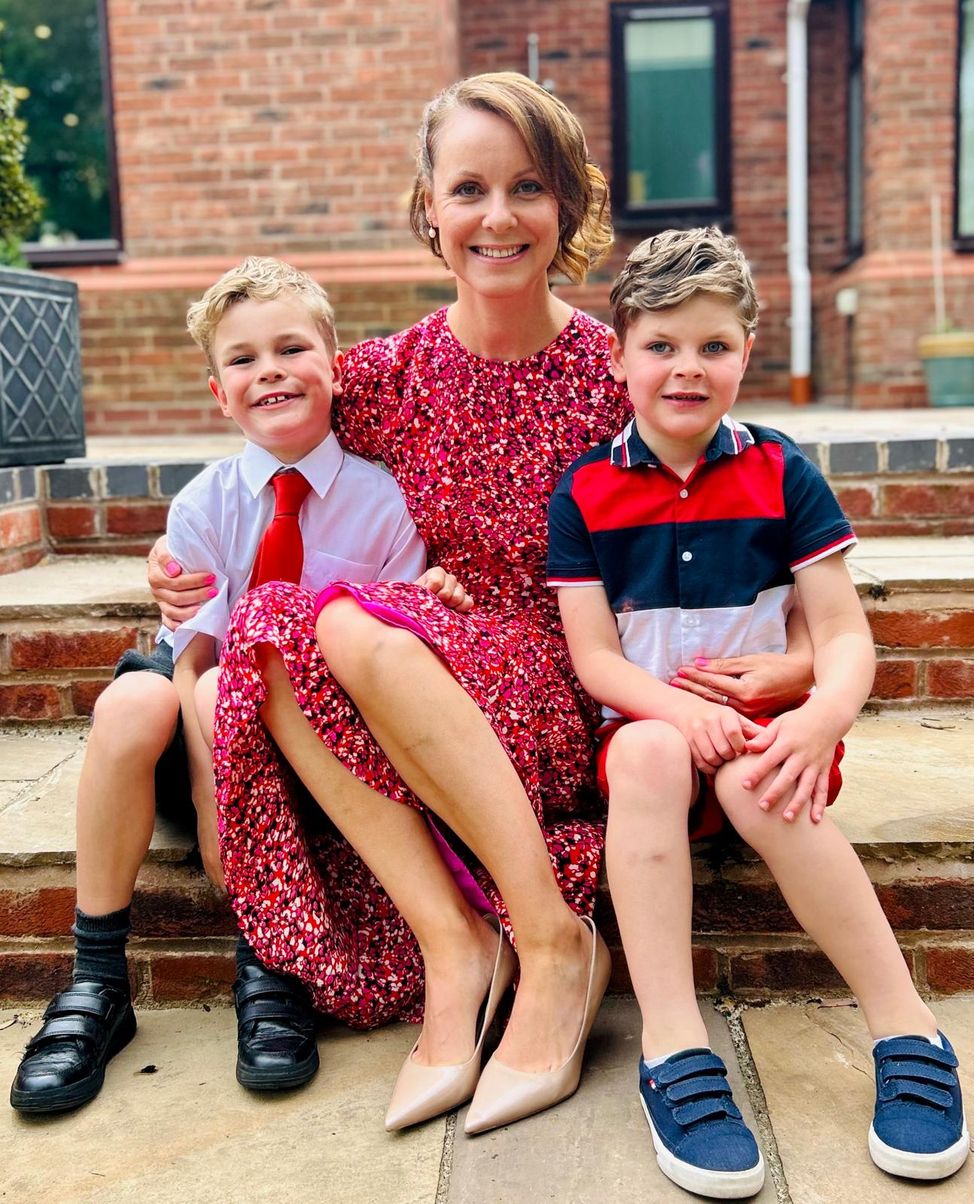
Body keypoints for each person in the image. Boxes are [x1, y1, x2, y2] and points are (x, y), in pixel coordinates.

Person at [147, 73, 814, 1135]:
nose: (496, 217)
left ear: (567, 206)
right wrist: (177, 557)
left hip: (571, 677)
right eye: (467, 188)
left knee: (334, 619)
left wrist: (803, 655)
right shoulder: (386, 375)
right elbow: (261, 435)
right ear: (429, 207)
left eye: (526, 188)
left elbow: (753, 506)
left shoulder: (620, 370)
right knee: (271, 629)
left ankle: (551, 942)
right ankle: (453, 944)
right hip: (428, 660)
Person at [548, 227, 970, 1196]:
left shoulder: (782, 473)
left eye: (711, 346)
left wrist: (819, 715)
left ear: (744, 354)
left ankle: (904, 1023)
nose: (684, 368)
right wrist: (671, 713)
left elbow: (844, 634)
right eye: (659, 345)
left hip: (761, 736)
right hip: (648, 729)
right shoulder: (583, 491)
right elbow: (592, 659)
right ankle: (672, 1046)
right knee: (651, 754)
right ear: (616, 357)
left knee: (752, 774)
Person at [9, 256, 478, 1113]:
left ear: (335, 369)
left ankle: (271, 961)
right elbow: (196, 666)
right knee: (130, 697)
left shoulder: (384, 505)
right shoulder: (203, 505)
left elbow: (388, 655)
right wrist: (217, 801)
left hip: (319, 741)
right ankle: (97, 980)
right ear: (219, 395)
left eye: (292, 347)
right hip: (199, 726)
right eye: (242, 359)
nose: (269, 370)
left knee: (272, 679)